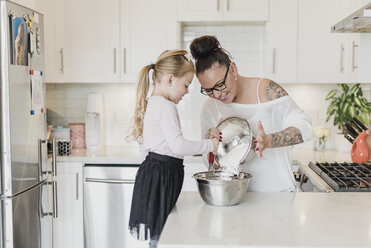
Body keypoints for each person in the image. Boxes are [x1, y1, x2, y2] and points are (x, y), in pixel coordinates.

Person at [190, 35, 313, 192]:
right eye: (208, 90)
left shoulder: (267, 91)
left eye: (220, 84)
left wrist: (269, 141)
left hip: (278, 194)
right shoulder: (210, 107)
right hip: (236, 197)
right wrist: (211, 148)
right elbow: (210, 163)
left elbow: (305, 127)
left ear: (233, 69)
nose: (218, 94)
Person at [127, 49, 219, 247]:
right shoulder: (167, 107)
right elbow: (178, 146)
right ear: (170, 79)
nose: (186, 92)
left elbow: (147, 147)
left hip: (152, 175)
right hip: (161, 176)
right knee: (163, 236)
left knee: (157, 236)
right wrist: (210, 145)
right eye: (186, 85)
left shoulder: (152, 102)